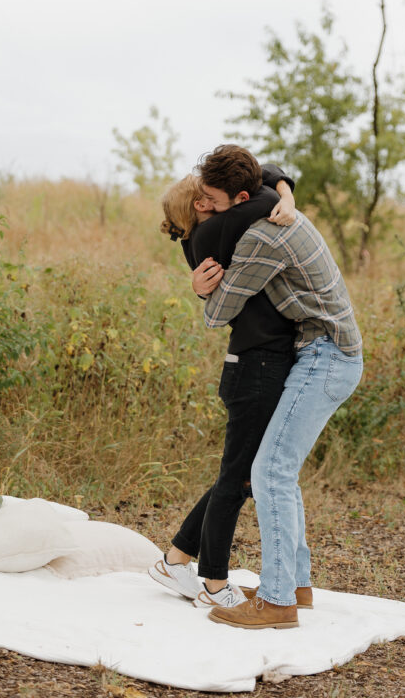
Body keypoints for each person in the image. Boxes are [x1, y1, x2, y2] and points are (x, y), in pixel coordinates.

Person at [191, 145, 363, 630]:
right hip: (325, 353)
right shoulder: (270, 200)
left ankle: (278, 601)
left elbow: (217, 314)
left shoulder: (263, 236)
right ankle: (297, 586)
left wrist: (201, 289)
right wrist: (284, 188)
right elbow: (267, 172)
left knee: (269, 472)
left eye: (211, 199)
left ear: (241, 196)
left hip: (325, 357)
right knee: (279, 470)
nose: (205, 207)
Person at [149, 162, 298, 608]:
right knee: (237, 480)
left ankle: (175, 559)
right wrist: (285, 196)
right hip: (257, 368)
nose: (227, 202)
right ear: (199, 208)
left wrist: (284, 190)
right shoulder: (210, 235)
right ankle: (213, 583)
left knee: (236, 475)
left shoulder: (215, 235)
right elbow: (266, 192)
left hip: (253, 365)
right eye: (211, 199)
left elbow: (262, 174)